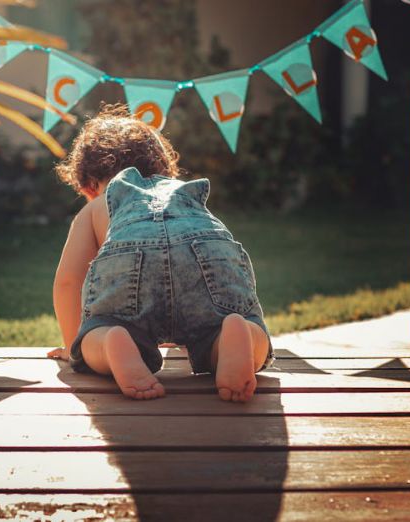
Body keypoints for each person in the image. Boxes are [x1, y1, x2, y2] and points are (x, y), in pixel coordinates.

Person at [47, 105, 273, 402]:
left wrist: (74, 343)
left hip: (131, 263)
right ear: (164, 168)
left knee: (96, 336)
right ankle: (237, 332)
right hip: (204, 250)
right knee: (223, 329)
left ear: (90, 186)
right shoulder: (181, 192)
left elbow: (68, 282)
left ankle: (110, 342)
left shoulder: (97, 206)